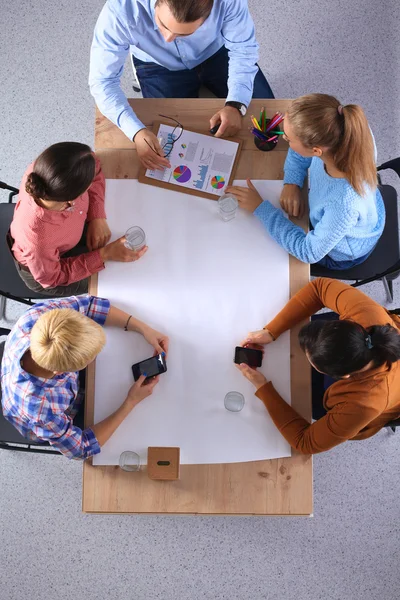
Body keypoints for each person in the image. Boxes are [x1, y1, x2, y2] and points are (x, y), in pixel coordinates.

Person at [89, 0, 274, 171]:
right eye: (162, 25)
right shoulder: (119, 10)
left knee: (269, 121)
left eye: (185, 33)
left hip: (216, 51)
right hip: (157, 65)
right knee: (171, 140)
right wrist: (135, 132)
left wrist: (236, 104)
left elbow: (243, 50)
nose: (168, 39)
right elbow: (102, 82)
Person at [236, 278, 400, 455]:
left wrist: (262, 387)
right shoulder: (368, 315)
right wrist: (271, 330)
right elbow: (319, 287)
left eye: (310, 361)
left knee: (304, 401)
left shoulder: (363, 404)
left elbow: (305, 442)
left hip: (378, 398)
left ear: (343, 376)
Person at [226, 94, 385, 270]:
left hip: (343, 252)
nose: (285, 140)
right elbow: (300, 147)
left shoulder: (343, 205)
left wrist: (260, 208)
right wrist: (291, 182)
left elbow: (307, 252)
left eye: (288, 139)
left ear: (316, 151)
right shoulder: (346, 131)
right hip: (350, 212)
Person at [0, 294, 169, 459]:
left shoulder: (39, 318)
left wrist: (143, 328)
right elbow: (82, 448)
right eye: (91, 358)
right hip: (51, 419)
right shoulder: (42, 411)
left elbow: (89, 305)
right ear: (62, 372)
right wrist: (130, 401)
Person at [10, 142, 147, 297]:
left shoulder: (48, 170)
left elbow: (94, 166)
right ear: (71, 201)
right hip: (48, 272)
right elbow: (52, 278)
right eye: (87, 188)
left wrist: (97, 216)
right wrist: (105, 255)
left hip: (63, 239)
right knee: (112, 279)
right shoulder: (37, 239)